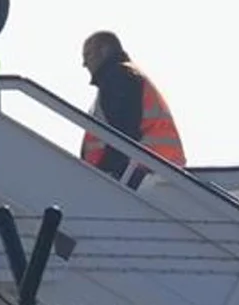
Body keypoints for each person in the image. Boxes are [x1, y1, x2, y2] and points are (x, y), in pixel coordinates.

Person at [79, 30, 186, 187]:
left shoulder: (119, 77)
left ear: (104, 50)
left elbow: (122, 134)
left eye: (88, 54)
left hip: (140, 173)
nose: (84, 63)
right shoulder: (123, 76)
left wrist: (106, 175)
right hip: (152, 170)